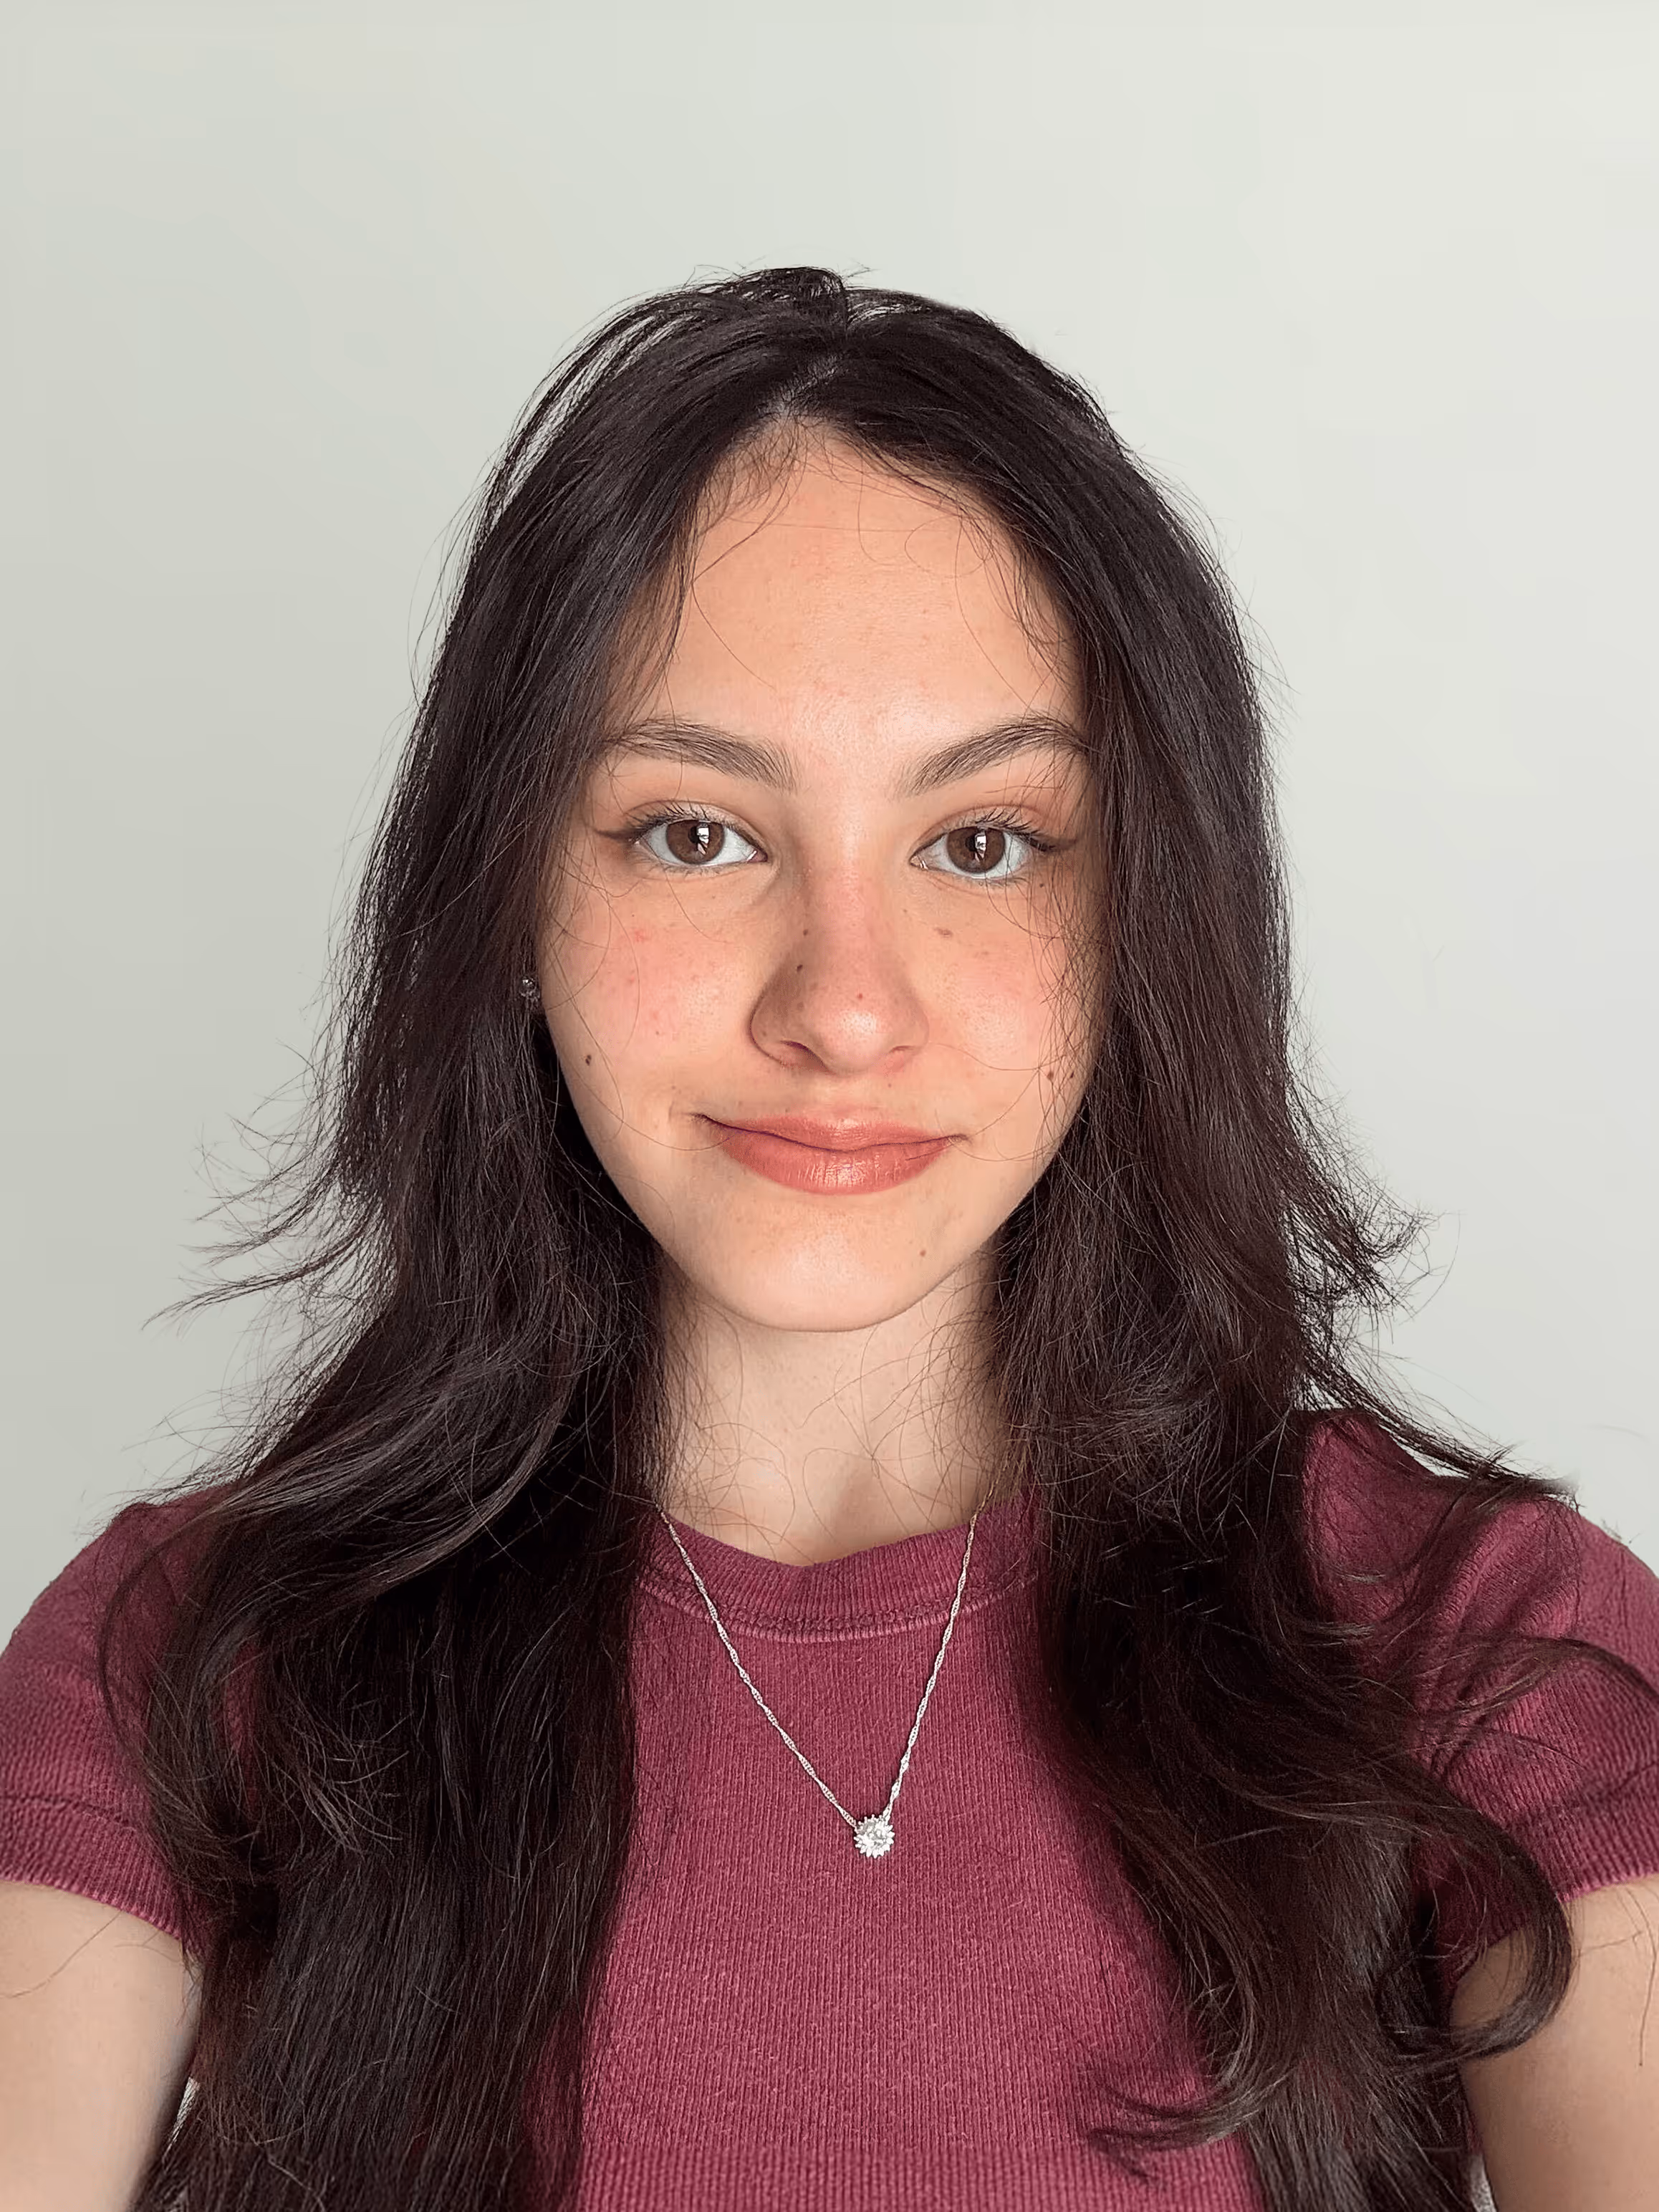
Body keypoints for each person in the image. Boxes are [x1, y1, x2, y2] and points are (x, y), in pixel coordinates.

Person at [1, 269, 1655, 2212]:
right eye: (696, 831)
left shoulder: (1477, 1648)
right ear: (509, 889)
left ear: (1144, 915)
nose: (844, 1009)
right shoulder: (182, 1668)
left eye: (982, 843)